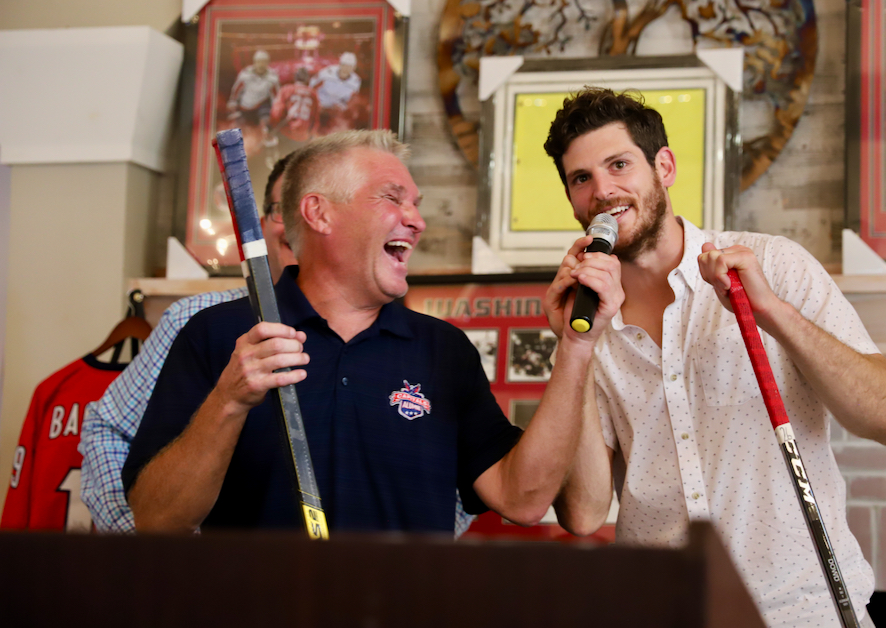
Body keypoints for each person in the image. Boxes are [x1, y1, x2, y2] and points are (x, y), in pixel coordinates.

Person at [541, 88, 886, 627]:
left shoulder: (773, 264)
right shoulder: (586, 319)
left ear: (663, 166)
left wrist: (772, 312)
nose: (603, 191)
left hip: (803, 613)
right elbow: (582, 513)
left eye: (619, 164)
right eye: (582, 178)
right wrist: (572, 347)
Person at [122, 130, 616, 534]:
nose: (417, 221)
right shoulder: (219, 335)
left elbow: (523, 499)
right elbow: (157, 519)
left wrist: (576, 346)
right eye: (392, 197)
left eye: (416, 203)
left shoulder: (442, 350)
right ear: (319, 213)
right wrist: (228, 402)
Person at [79, 156, 297, 532]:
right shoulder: (196, 318)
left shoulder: (395, 336)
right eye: (284, 209)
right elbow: (108, 430)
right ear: (260, 227)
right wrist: (148, 548)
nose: (298, 223)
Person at [310, 52, 364, 132]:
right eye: (344, 65)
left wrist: (344, 107)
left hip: (337, 110)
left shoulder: (356, 81)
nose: (346, 68)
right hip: (321, 105)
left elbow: (353, 98)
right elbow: (312, 84)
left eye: (349, 66)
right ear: (340, 64)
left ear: (354, 67)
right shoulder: (328, 71)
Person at [227, 49, 280, 130]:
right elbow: (236, 90)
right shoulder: (245, 74)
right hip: (245, 106)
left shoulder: (272, 77)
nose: (261, 65)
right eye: (259, 62)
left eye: (264, 62)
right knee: (238, 128)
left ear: (268, 63)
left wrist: (276, 110)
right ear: (254, 62)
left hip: (262, 106)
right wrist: (233, 102)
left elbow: (276, 97)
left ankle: (267, 136)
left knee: (266, 123)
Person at [270, 67, 321, 144]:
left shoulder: (286, 89)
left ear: (295, 77)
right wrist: (311, 133)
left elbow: (276, 112)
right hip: (304, 135)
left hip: (287, 132)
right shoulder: (313, 94)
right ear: (307, 79)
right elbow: (315, 117)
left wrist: (272, 128)